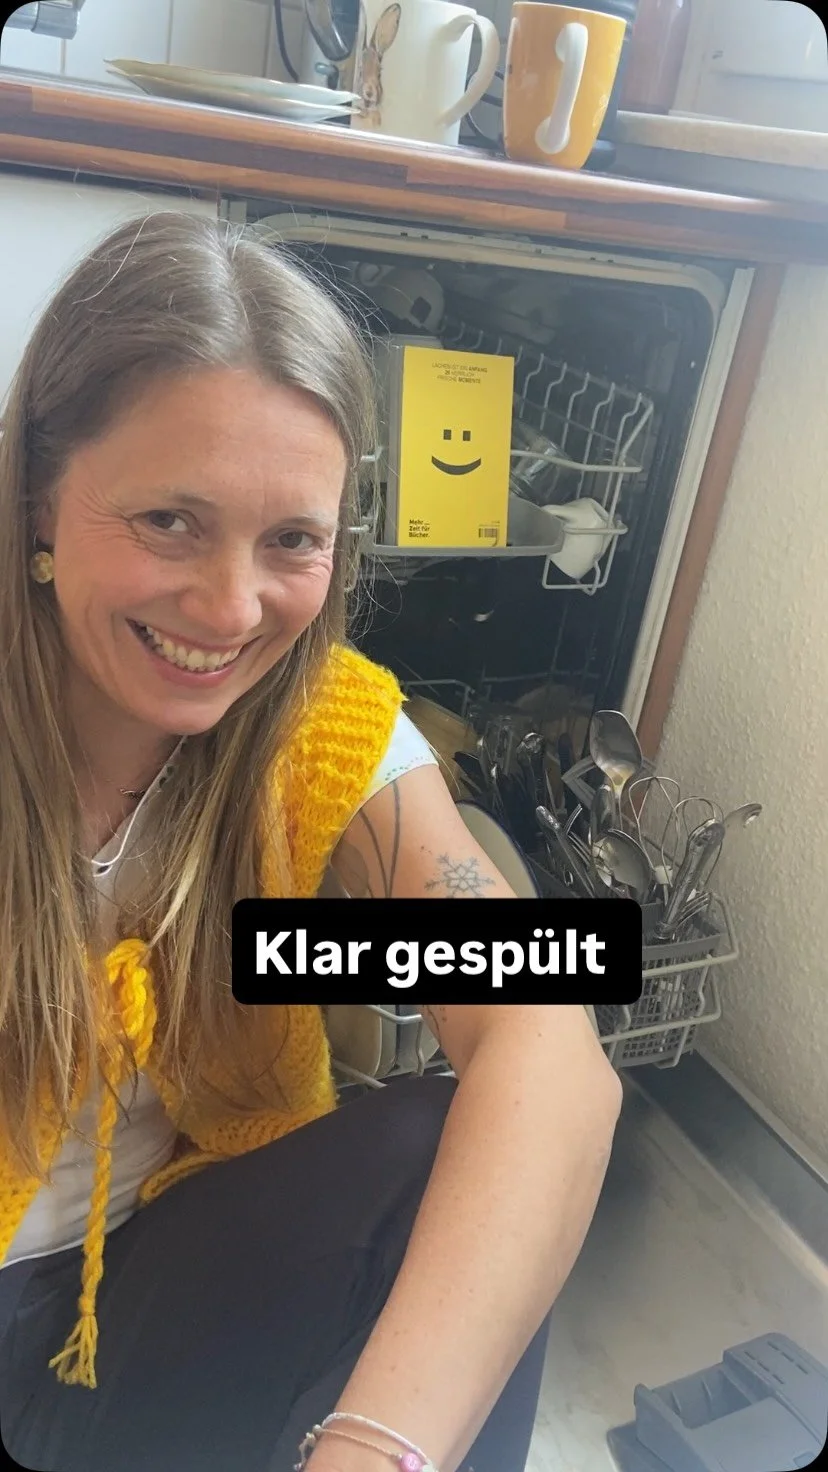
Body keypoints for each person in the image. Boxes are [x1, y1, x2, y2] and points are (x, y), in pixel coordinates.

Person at [0, 212, 622, 1472]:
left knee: (455, 1146)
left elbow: (547, 1041)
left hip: (151, 1285)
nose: (231, 608)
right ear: (39, 503)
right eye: (169, 519)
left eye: (292, 538)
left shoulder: (318, 723)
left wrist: (379, 1444)